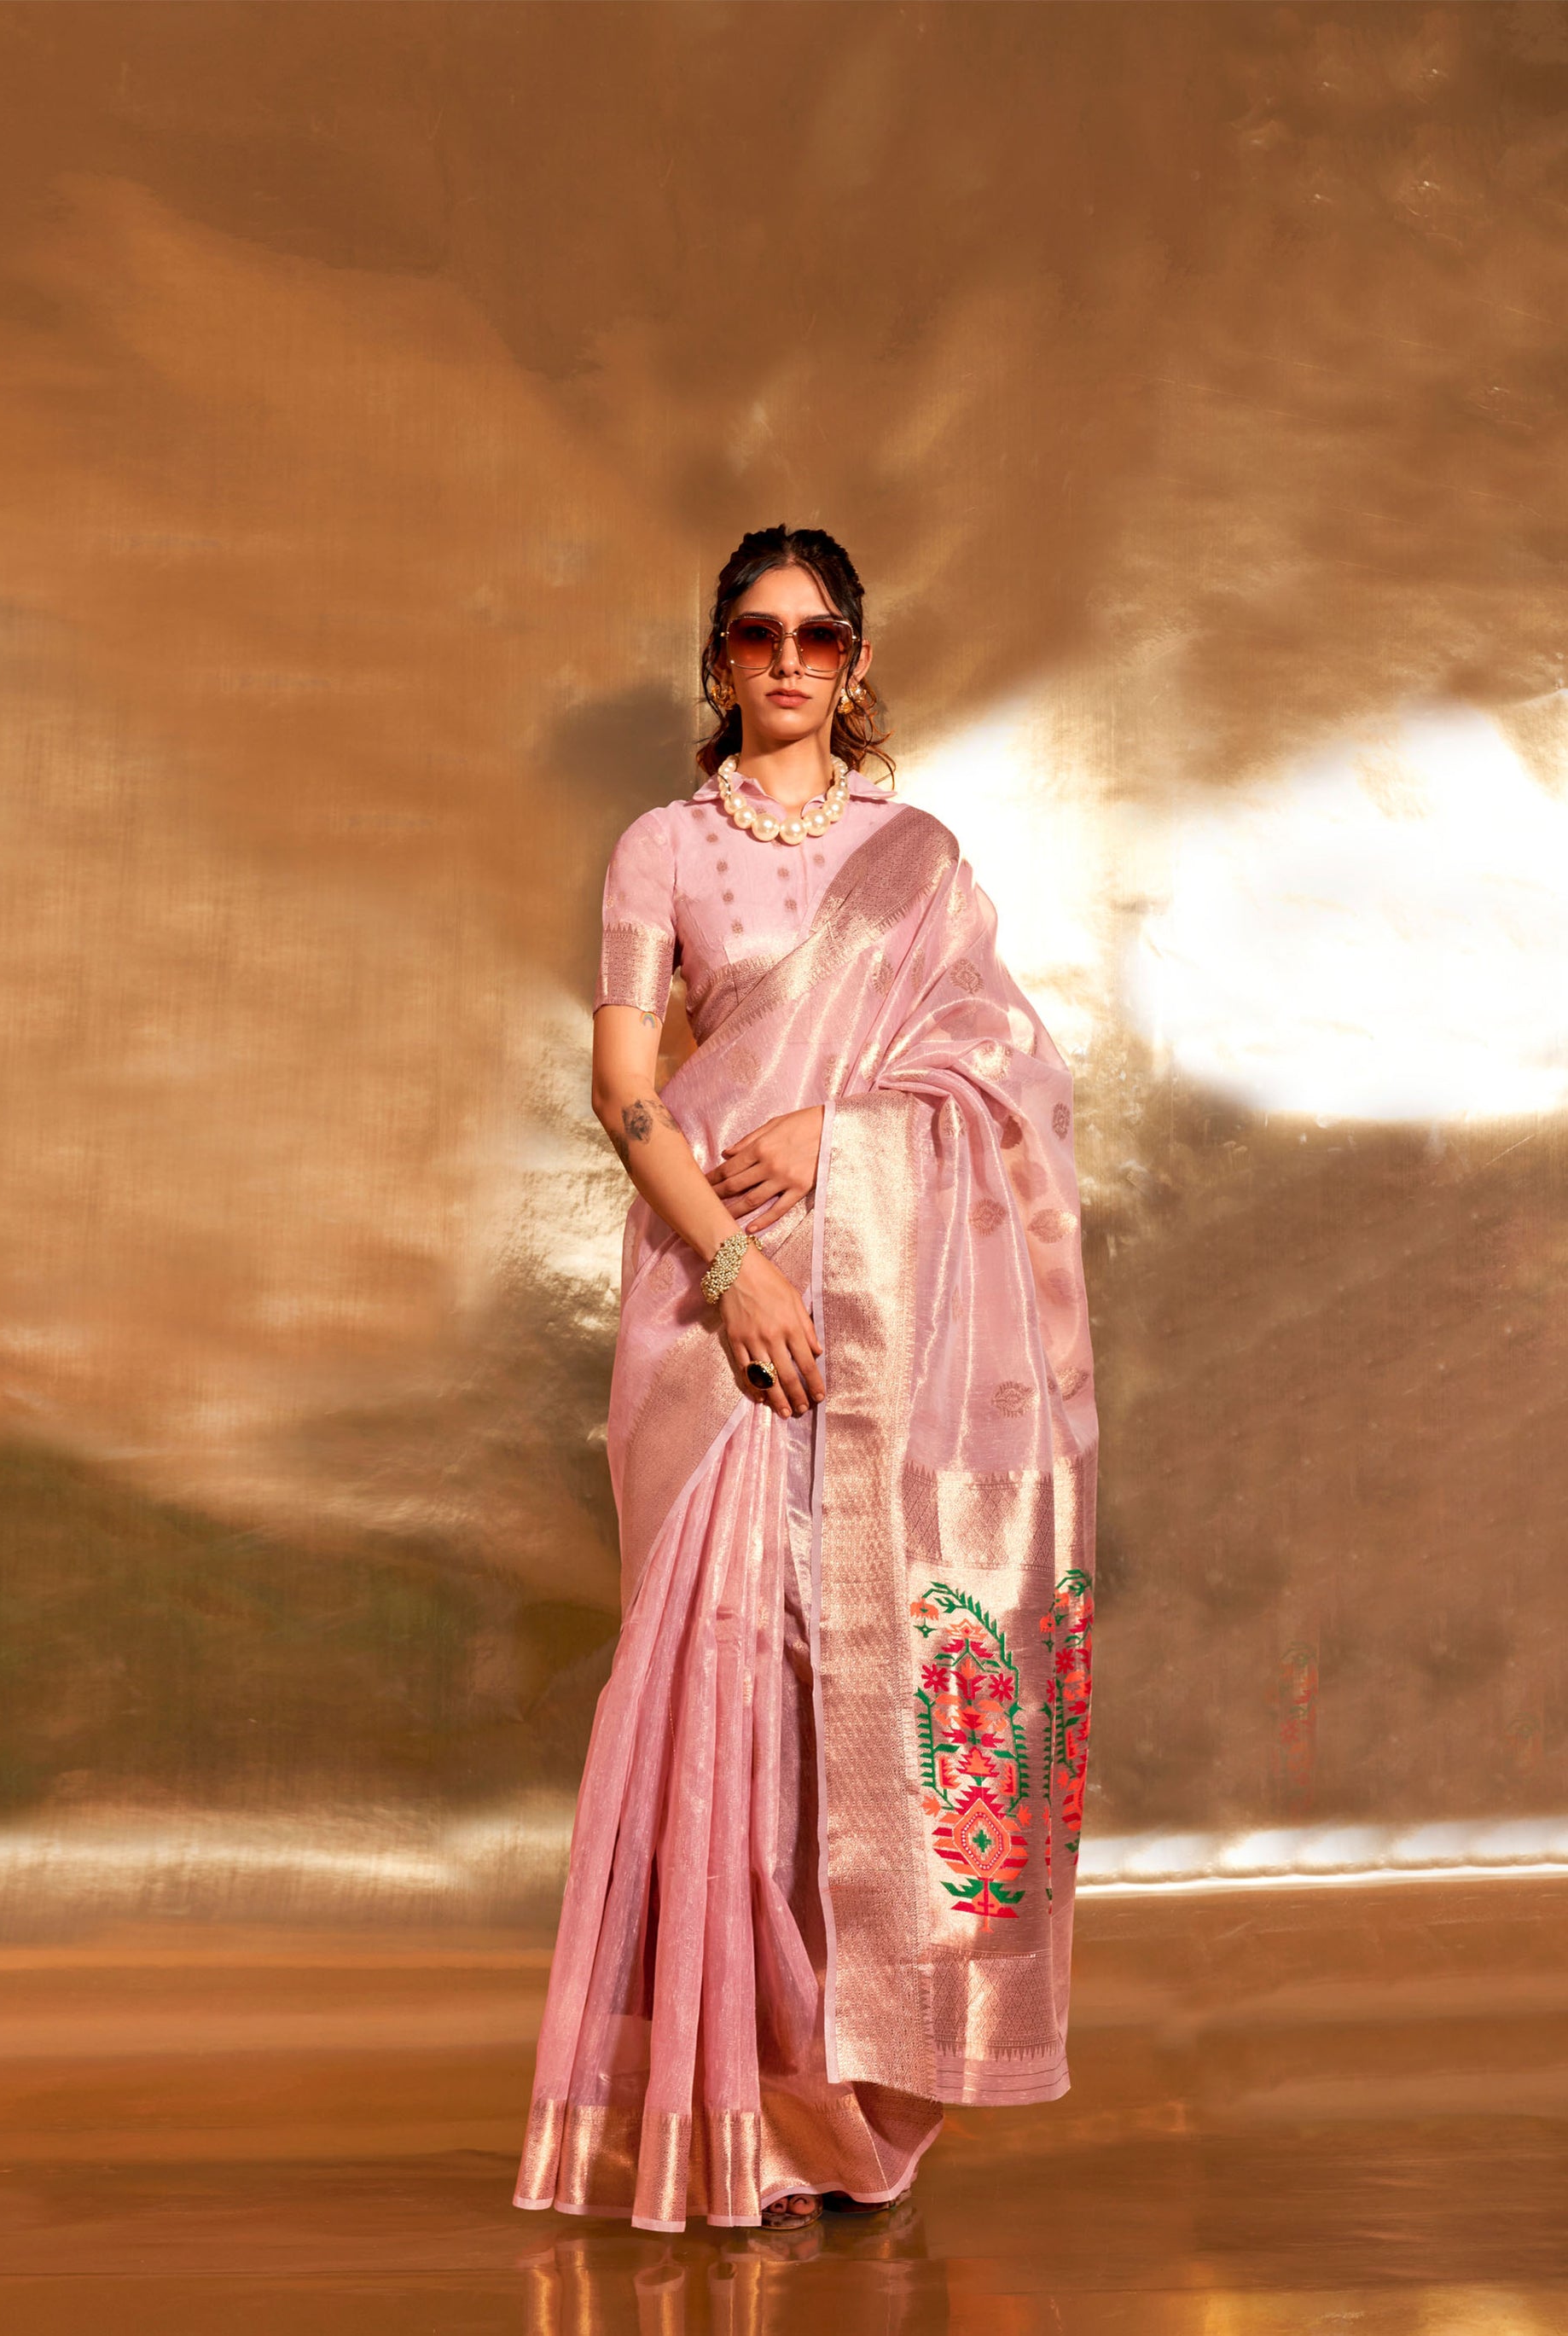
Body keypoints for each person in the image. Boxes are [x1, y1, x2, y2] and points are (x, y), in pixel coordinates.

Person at [514, 525, 1099, 2234]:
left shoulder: (916, 860)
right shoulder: (661, 847)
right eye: (758, 634)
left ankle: (847, 2085)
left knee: (845, 1674)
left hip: (885, 1315)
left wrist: (840, 1135)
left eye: (818, 636)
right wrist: (734, 1266)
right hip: (717, 1320)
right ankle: (730, 2108)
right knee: (723, 1676)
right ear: (719, 657)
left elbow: (1006, 1073)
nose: (787, 662)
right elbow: (625, 1089)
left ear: (856, 659)